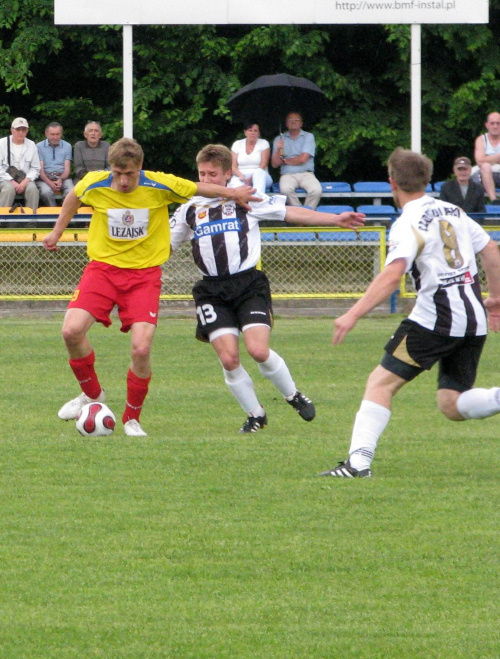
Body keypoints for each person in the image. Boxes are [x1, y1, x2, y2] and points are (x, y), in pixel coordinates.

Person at [42, 137, 259, 437]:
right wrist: (56, 232)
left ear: (140, 167)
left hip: (143, 277)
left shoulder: (160, 185)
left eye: (129, 173)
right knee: (71, 331)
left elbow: (198, 188)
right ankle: (92, 395)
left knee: (141, 348)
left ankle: (132, 418)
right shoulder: (95, 183)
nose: (123, 180)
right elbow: (73, 198)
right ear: (110, 167)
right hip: (102, 271)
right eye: (117, 173)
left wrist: (233, 193)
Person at [319, 147, 500, 478]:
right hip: (473, 320)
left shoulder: (407, 223)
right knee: (451, 404)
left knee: (380, 384)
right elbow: (491, 249)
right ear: (428, 179)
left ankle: (357, 465)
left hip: (436, 319)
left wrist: (353, 314)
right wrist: (497, 300)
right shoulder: (454, 211)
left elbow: (392, 275)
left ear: (392, 183)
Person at [170, 144, 365, 433]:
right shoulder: (189, 209)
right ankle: (256, 415)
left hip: (248, 284)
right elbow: (163, 246)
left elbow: (290, 213)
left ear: (226, 175)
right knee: (228, 358)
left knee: (258, 351)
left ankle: (292, 394)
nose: (206, 179)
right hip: (211, 290)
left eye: (212, 174)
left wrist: (335, 219)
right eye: (201, 174)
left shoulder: (245, 200)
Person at [270, 111, 322, 209]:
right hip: (287, 175)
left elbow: (303, 159)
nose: (293, 122)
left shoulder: (308, 137)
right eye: (290, 120)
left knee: (316, 190)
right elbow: (274, 164)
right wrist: (277, 150)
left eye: (296, 120)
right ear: (286, 123)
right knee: (285, 190)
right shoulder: (279, 139)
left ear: (301, 123)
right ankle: (301, 216)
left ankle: (306, 215)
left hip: (307, 174)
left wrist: (285, 161)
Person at [0, 117, 40, 212]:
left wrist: (25, 181)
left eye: (23, 129)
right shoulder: (1, 143)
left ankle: (31, 222)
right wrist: (12, 181)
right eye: (18, 129)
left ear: (27, 131)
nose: (20, 132)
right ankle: (2, 220)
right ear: (12, 130)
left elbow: (36, 168)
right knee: (8, 189)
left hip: (25, 178)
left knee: (33, 189)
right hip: (5, 179)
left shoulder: (31, 145)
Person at [227, 121, 273, 195]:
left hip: (261, 177)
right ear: (245, 132)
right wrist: (242, 177)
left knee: (258, 172)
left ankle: (257, 199)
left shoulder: (264, 143)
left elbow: (263, 165)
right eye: (250, 130)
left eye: (255, 131)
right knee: (234, 183)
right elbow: (233, 167)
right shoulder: (237, 144)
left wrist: (250, 179)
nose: (253, 133)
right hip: (241, 176)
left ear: (259, 133)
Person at [36, 121, 74, 206]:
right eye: (52, 134)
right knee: (46, 192)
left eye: (58, 134)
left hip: (63, 177)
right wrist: (49, 182)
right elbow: (40, 169)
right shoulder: (39, 146)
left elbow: (67, 168)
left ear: (61, 134)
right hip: (44, 178)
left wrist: (60, 179)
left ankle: (65, 212)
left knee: (72, 191)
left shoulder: (67, 146)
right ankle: (54, 213)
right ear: (46, 134)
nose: (55, 137)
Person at [471, 111, 500, 204]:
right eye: (492, 123)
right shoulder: (481, 140)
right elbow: (480, 161)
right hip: (482, 176)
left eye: (498, 123)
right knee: (486, 166)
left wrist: (488, 158)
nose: (495, 126)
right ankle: (493, 200)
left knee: (486, 164)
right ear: (487, 125)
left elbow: (483, 159)